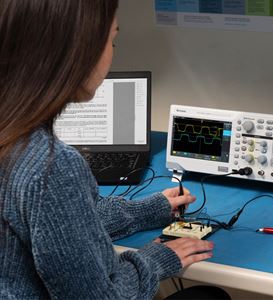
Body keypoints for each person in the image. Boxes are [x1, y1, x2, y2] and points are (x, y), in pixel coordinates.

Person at [0, 1, 230, 299]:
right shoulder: (50, 166)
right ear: (78, 52)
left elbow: (63, 226)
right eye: (112, 40)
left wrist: (149, 209)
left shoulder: (12, 134)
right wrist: (157, 259)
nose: (112, 53)